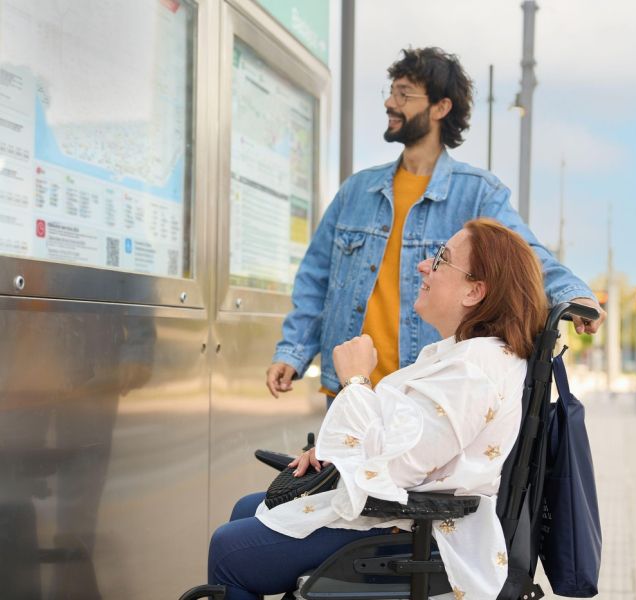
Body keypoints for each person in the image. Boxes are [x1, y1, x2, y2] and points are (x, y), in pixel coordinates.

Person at [209, 219, 550, 600]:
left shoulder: (472, 370)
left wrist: (355, 381)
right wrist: (335, 451)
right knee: (246, 510)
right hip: (408, 514)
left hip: (419, 526)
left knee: (229, 550)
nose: (423, 266)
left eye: (440, 259)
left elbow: (397, 469)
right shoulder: (468, 356)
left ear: (474, 291)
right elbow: (404, 438)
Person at [267, 47, 605, 399]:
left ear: (441, 108)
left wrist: (573, 295)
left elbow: (526, 258)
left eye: (404, 94)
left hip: (420, 397)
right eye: (391, 91)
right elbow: (315, 278)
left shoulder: (477, 194)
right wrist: (293, 351)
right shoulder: (357, 190)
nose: (390, 103)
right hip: (348, 391)